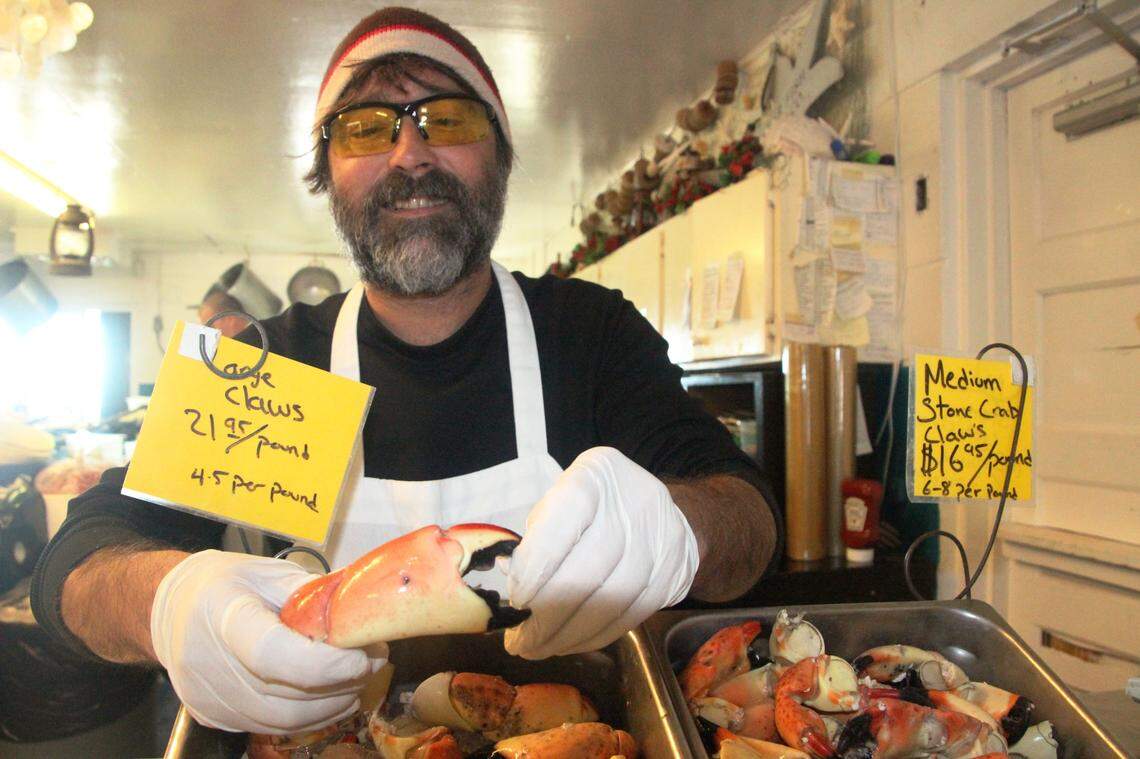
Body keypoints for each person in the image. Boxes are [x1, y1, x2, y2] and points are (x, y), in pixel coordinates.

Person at [31, 7, 781, 739]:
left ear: (501, 156)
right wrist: (163, 601)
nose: (411, 155)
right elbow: (80, 556)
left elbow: (747, 516)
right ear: (326, 173)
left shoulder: (591, 335)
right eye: (365, 128)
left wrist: (679, 526)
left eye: (448, 120)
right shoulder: (264, 360)